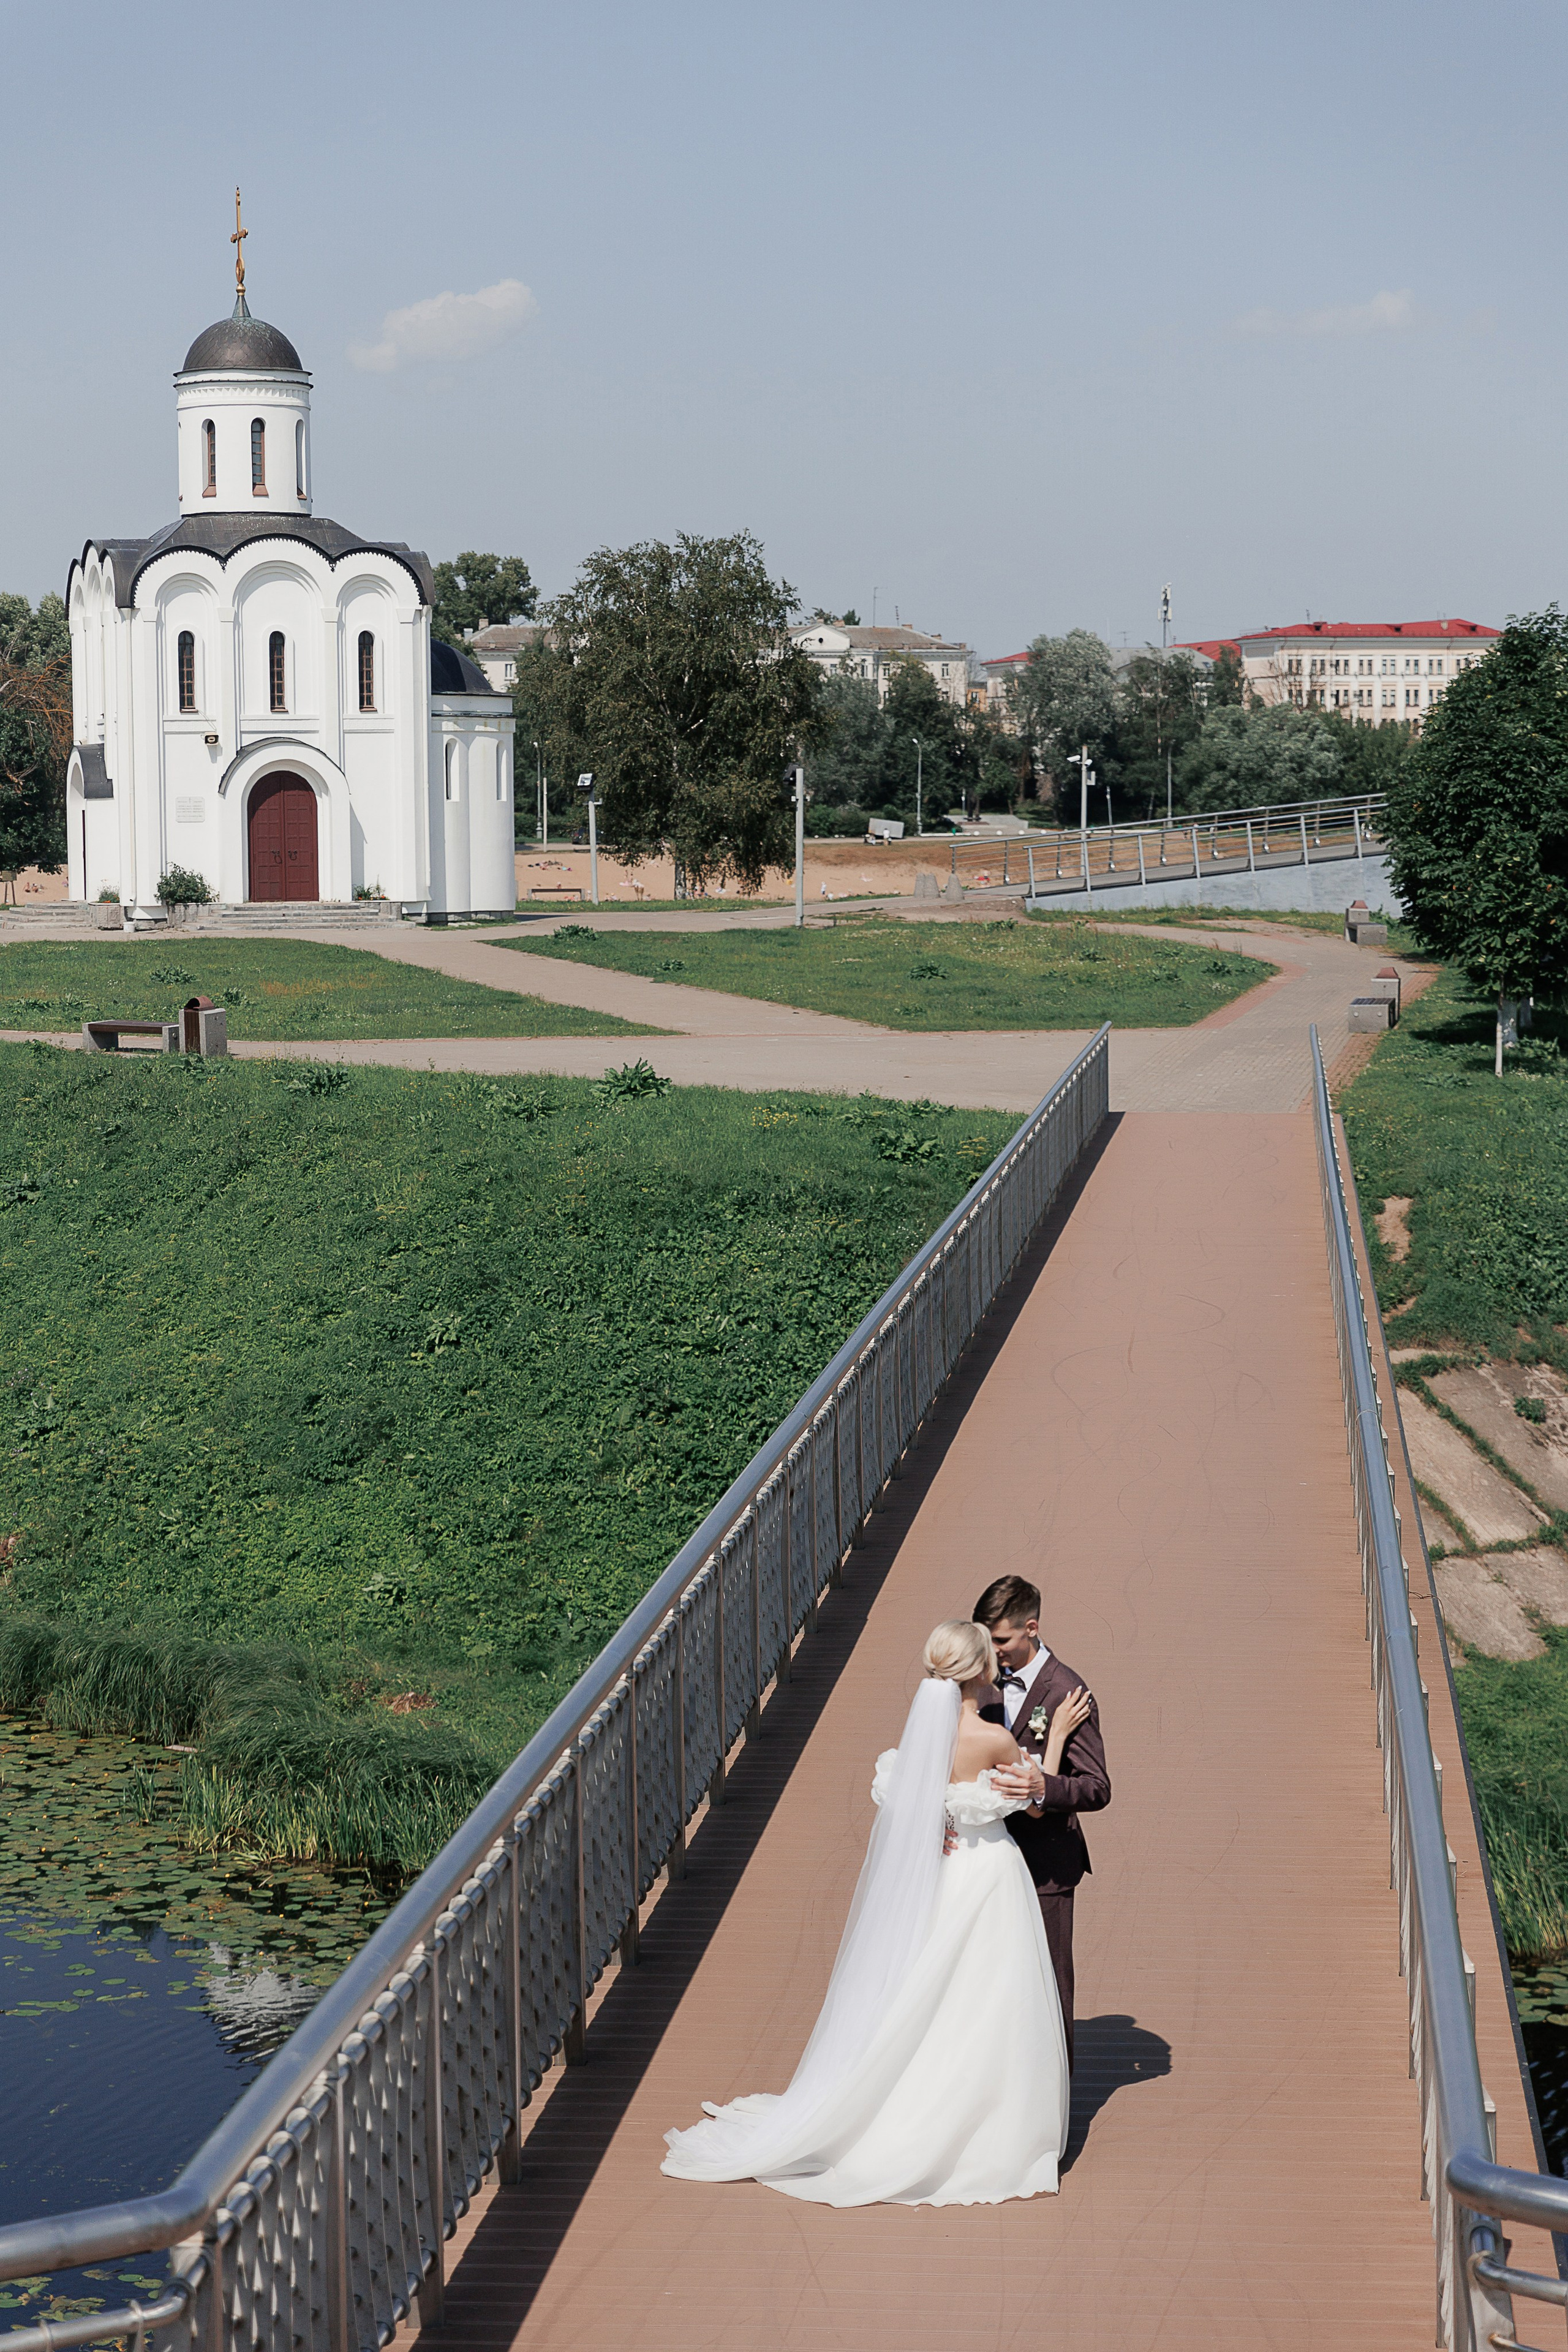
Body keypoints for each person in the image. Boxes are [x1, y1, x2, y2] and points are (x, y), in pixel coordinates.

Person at [661, 1619, 1086, 2206]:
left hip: (944, 1877)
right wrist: (1058, 1737)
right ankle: (986, 2119)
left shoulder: (926, 1739)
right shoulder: (995, 1741)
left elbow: (923, 1807)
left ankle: (914, 2101)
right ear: (977, 1671)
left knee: (935, 1991)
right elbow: (1033, 1803)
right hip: (988, 1874)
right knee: (991, 1993)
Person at [973, 1574, 1110, 2071]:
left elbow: (1097, 1787)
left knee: (1049, 1983)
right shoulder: (981, 1682)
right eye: (987, 1640)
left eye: (1003, 1640)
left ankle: (1055, 2103)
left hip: (1047, 1865)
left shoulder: (1068, 1692)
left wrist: (1042, 1788)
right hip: (987, 1857)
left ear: (1032, 1628)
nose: (994, 1652)